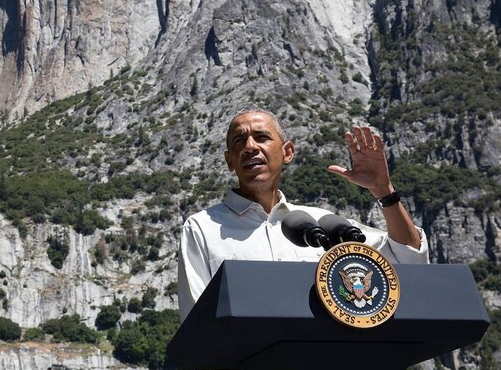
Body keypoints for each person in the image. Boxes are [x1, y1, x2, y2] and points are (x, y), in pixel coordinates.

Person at [177, 108, 428, 322]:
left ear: (287, 152)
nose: (250, 147)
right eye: (238, 142)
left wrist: (384, 190)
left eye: (261, 137)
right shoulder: (202, 228)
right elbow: (198, 326)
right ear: (229, 161)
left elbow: (408, 258)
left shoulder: (326, 225)